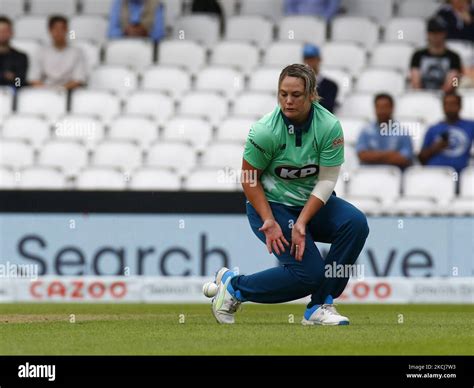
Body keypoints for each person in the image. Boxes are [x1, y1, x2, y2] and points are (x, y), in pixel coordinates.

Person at [209, 64, 369, 325]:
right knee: (309, 275)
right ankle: (235, 287)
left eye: (296, 95)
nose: (288, 101)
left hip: (312, 205)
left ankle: (320, 305)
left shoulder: (328, 126)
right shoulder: (265, 130)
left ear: (311, 95)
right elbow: (249, 179)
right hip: (272, 208)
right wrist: (269, 221)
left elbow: (327, 180)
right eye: (283, 94)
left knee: (355, 223)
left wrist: (303, 221)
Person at [418, 92, 474, 174]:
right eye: (446, 104)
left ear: (460, 106)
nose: (449, 107)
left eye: (453, 104)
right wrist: (435, 148)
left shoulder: (470, 126)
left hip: (460, 174)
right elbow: (421, 158)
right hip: (435, 173)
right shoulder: (433, 129)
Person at [356, 93, 413, 169]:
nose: (382, 111)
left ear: (392, 108)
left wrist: (373, 156)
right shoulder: (366, 131)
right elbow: (362, 156)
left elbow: (404, 159)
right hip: (369, 175)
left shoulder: (402, 132)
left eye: (385, 107)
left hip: (394, 176)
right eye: (378, 107)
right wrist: (391, 154)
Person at [30, 15, 86, 90]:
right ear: (50, 31)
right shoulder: (40, 52)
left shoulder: (77, 52)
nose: (59, 32)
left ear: (67, 30)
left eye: (62, 29)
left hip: (69, 92)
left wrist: (60, 90)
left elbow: (78, 80)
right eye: (55, 29)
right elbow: (34, 79)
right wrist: (49, 91)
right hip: (45, 92)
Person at [410, 17, 462, 92]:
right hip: (422, 95)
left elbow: (454, 81)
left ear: (445, 33)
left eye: (439, 32)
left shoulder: (454, 57)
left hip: (445, 97)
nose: (436, 36)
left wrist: (445, 92)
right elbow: (415, 81)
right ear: (427, 34)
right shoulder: (418, 55)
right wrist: (422, 94)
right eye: (432, 32)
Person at [303, 43, 338, 113]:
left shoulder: (331, 86)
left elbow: (327, 108)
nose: (309, 62)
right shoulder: (299, 83)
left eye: (312, 59)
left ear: (319, 59)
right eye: (307, 59)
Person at [0, 16, 28, 88]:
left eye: (5, 30)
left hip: (13, 94)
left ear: (11, 32)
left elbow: (19, 82)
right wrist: (6, 75)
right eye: (0, 30)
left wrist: (14, 79)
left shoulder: (20, 57)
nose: (2, 34)